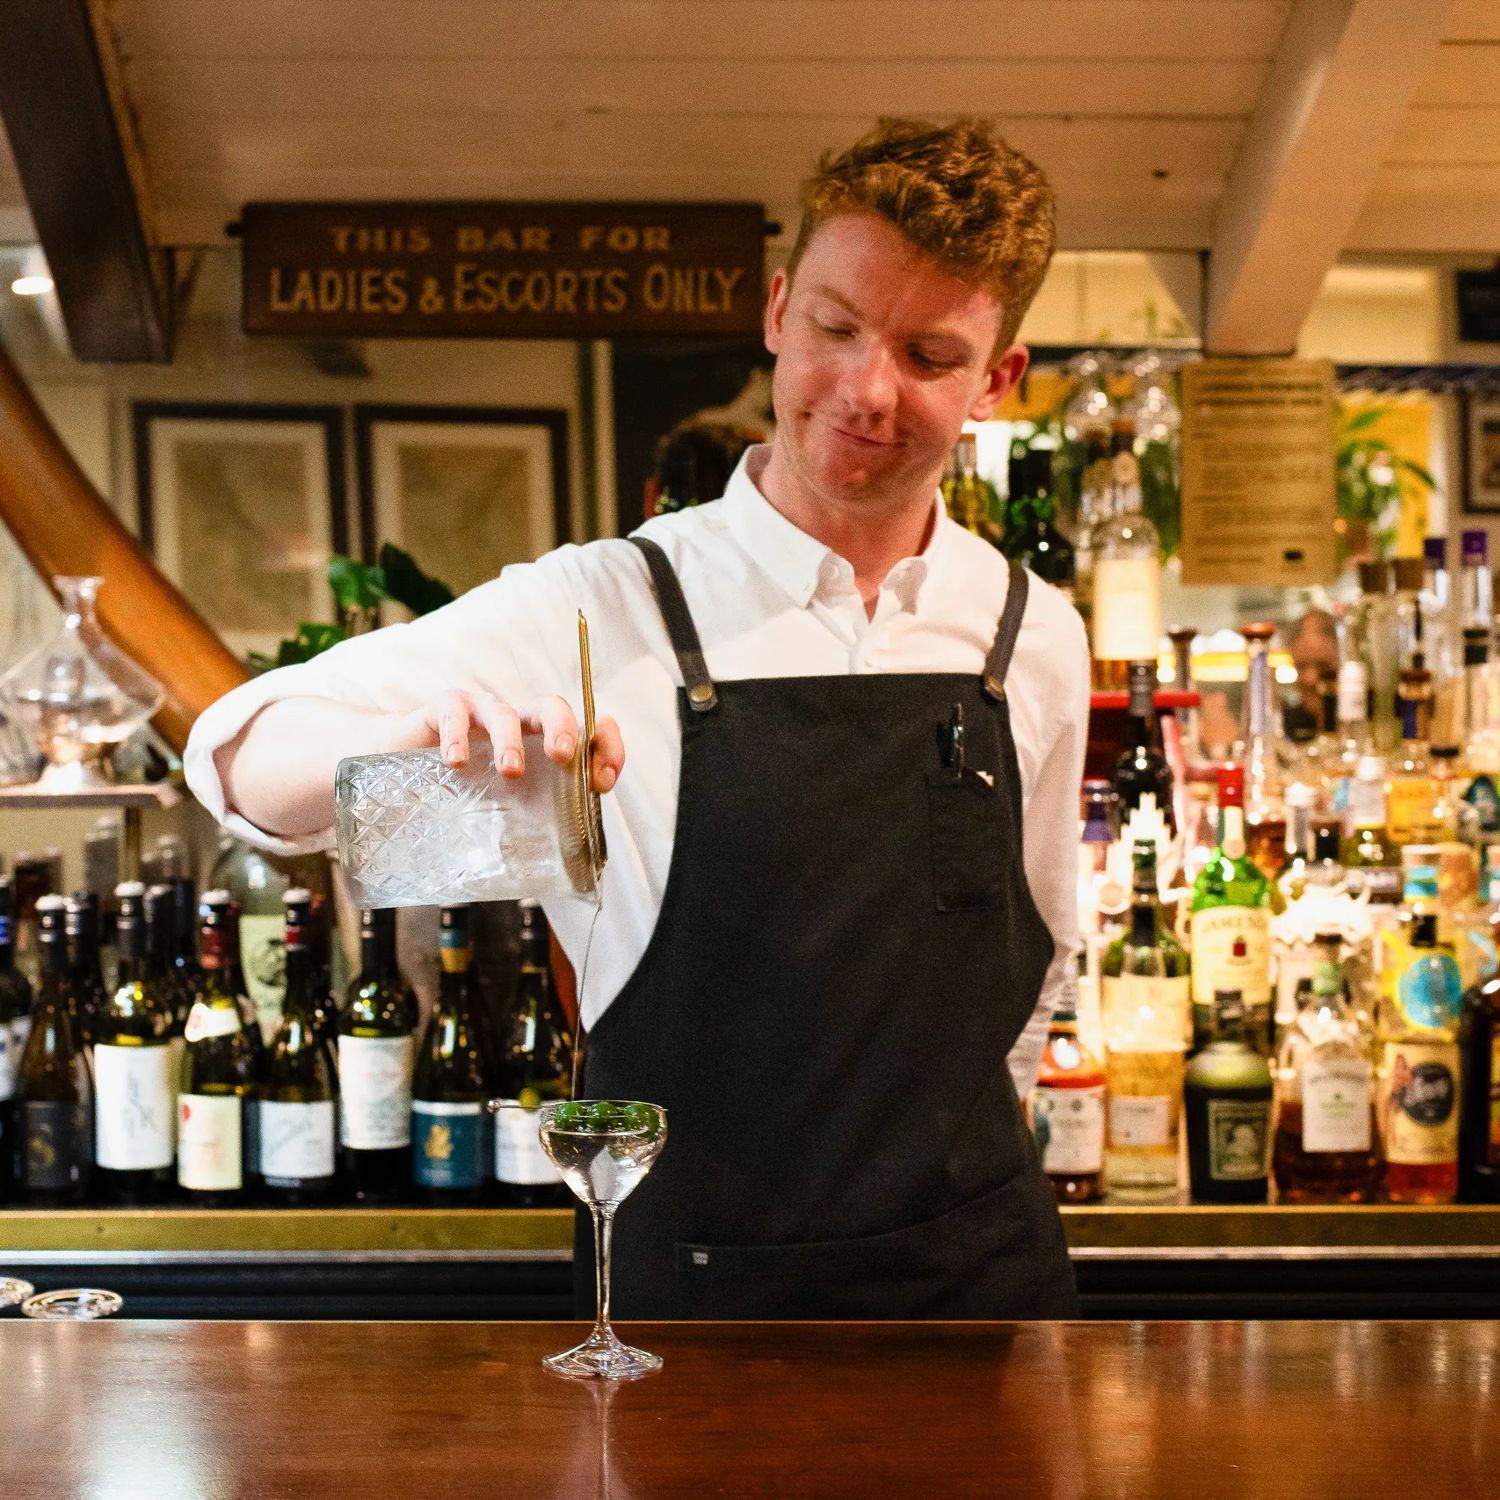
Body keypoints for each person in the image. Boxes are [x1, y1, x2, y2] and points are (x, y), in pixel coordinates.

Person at [186, 118, 1089, 1319]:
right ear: (776, 312)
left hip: (983, 1290)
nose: (868, 390)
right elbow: (236, 755)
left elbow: (1034, 965)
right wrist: (397, 746)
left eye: (929, 354)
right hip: (692, 1301)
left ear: (997, 380)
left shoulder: (1034, 628)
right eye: (834, 329)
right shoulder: (605, 601)